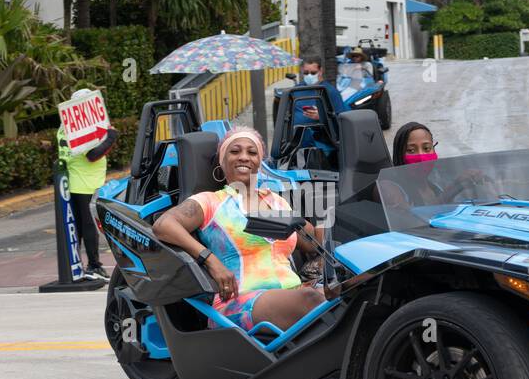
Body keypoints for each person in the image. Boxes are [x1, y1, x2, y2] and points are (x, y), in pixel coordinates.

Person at [152, 126, 330, 331]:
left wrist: (329, 212)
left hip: (293, 293)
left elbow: (312, 242)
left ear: (259, 163)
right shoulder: (210, 201)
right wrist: (210, 260)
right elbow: (164, 225)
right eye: (235, 151)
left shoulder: (276, 202)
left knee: (347, 297)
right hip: (239, 301)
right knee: (311, 299)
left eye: (252, 152)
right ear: (222, 161)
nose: (244, 157)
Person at [57, 111, 118, 280]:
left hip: (74, 181)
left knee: (77, 227)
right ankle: (94, 266)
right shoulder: (80, 128)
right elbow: (92, 155)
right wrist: (111, 137)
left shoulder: (64, 127)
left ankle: (74, 266)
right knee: (89, 226)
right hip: (85, 184)